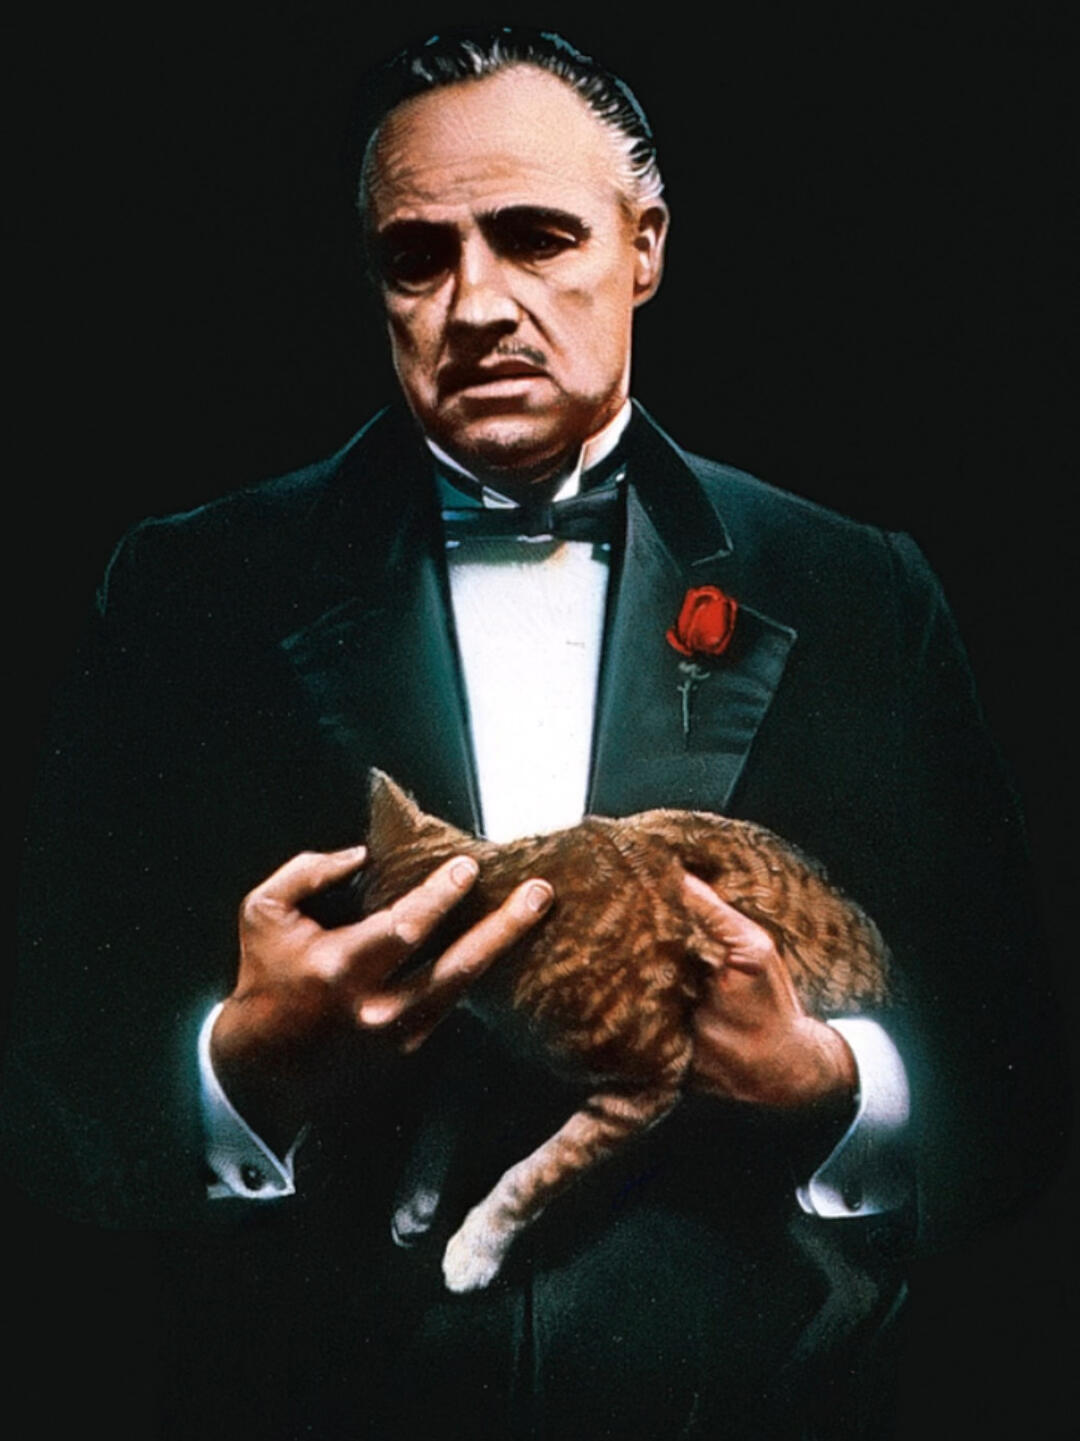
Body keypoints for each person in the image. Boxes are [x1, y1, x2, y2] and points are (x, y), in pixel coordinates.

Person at [2, 28, 1065, 1441]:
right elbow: (47, 1083)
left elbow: (1016, 1072)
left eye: (536, 236)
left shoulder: (858, 588)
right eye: (417, 257)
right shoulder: (186, 589)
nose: (477, 303)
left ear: (646, 247)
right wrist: (239, 1065)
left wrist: (827, 1083)